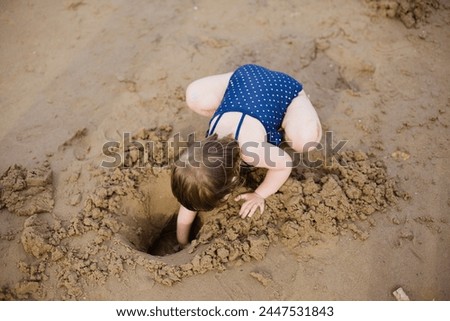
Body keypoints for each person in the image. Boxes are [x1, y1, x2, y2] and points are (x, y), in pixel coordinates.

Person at [171, 64, 322, 246]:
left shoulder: (252, 152)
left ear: (234, 179)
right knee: (195, 96)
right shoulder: (207, 146)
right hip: (244, 79)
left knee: (305, 140)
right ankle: (243, 94)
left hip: (283, 91)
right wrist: (182, 240)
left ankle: (294, 106)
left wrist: (259, 194)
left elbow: (284, 164)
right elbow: (191, 199)